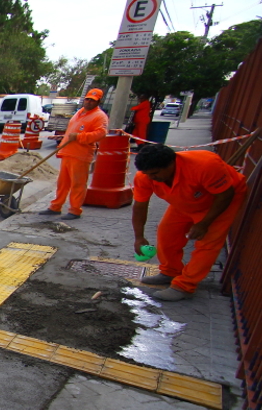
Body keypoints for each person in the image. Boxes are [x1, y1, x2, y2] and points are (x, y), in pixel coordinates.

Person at [131, 144, 246, 301]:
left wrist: (204, 224)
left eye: (155, 173)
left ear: (172, 164)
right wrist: (139, 237)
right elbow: (139, 207)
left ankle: (184, 286)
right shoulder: (144, 177)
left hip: (219, 201)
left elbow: (226, 195)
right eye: (147, 174)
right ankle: (170, 271)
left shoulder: (204, 165)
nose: (151, 178)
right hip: (185, 200)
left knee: (207, 243)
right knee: (166, 233)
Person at [38, 88, 109, 220]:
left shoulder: (100, 116)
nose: (88, 102)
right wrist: (62, 140)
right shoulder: (80, 113)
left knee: (78, 184)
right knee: (62, 183)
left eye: (92, 100)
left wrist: (79, 137)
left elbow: (101, 134)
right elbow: (72, 132)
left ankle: (75, 210)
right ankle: (56, 207)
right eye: (87, 99)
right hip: (68, 153)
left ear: (99, 101)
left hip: (81, 155)